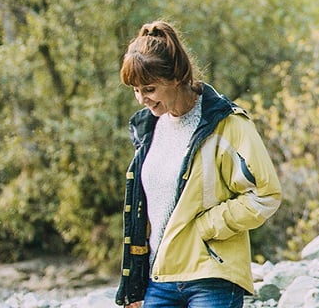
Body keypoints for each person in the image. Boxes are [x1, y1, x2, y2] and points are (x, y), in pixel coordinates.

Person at [114, 21, 283, 308]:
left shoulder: (227, 123)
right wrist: (137, 284)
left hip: (212, 276)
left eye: (150, 88)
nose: (142, 99)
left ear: (177, 78)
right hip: (160, 278)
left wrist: (206, 227)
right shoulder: (148, 130)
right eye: (135, 90)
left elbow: (265, 195)